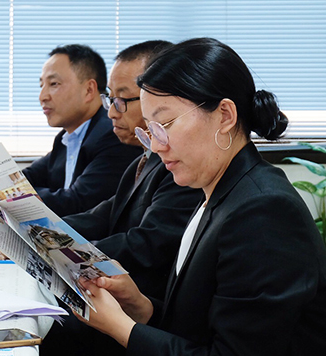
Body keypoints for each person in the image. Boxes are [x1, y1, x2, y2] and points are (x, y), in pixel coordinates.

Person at [76, 38, 326, 355]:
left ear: (224, 116)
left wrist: (123, 328)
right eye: (150, 130)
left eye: (165, 123)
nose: (156, 145)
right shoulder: (218, 191)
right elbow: (198, 325)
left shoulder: (264, 211)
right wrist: (141, 307)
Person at [38, 40, 203, 355]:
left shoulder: (181, 168)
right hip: (126, 296)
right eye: (109, 99)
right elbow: (101, 215)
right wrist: (38, 234)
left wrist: (61, 250)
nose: (111, 111)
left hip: (147, 304)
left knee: (49, 324)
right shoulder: (143, 159)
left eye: (123, 99)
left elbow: (148, 243)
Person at [23, 44, 142, 216]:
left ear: (89, 90)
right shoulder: (66, 137)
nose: (43, 96)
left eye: (53, 84)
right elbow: (26, 179)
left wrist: (16, 196)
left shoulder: (114, 133)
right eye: (41, 85)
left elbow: (78, 203)